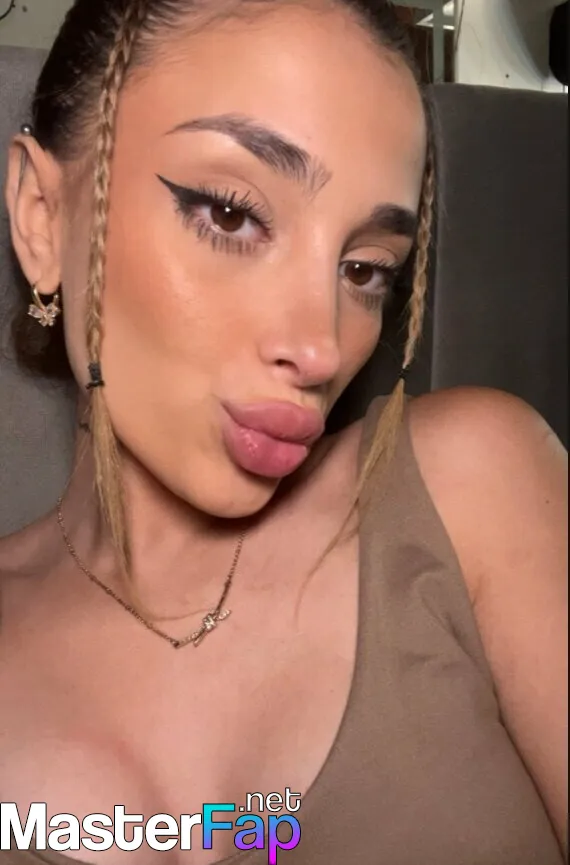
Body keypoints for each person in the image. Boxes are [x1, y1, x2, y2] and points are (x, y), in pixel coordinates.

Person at [0, 1, 567, 863]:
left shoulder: (474, 488)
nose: (321, 345)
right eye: (231, 215)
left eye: (365, 269)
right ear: (43, 215)